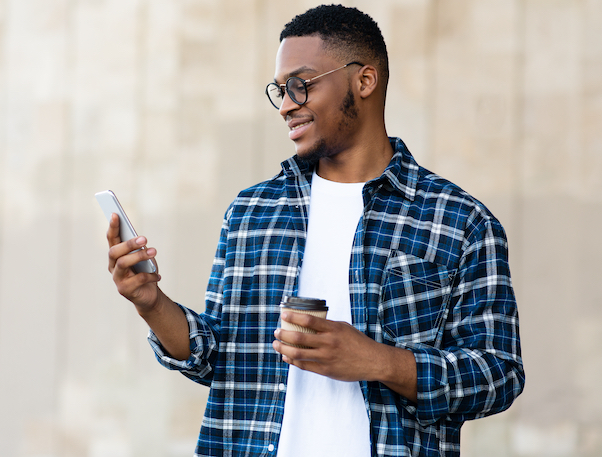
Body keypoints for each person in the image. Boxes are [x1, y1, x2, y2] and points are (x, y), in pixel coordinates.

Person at [106, 5, 525, 456]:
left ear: (364, 81)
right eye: (279, 90)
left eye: (300, 85)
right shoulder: (251, 212)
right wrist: (151, 304)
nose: (286, 105)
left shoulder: (459, 220)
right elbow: (217, 357)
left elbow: (498, 374)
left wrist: (379, 361)